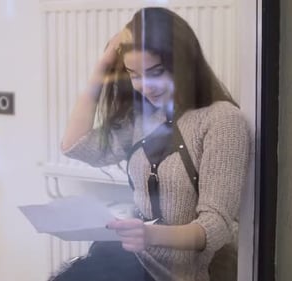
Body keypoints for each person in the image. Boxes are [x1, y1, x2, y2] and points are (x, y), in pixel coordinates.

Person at [54, 7, 250, 281]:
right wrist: (104, 64)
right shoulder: (140, 117)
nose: (146, 87)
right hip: (137, 260)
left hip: (187, 272)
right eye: (134, 75)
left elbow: (215, 226)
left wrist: (148, 234)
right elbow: (76, 146)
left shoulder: (222, 119)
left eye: (156, 72)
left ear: (183, 62)